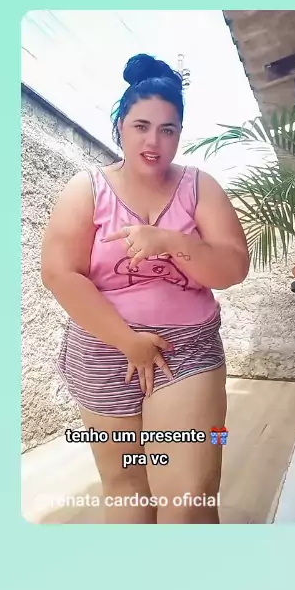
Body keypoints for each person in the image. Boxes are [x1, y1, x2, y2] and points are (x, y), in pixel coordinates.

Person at [41, 53, 250, 524]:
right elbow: (60, 273)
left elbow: (233, 268)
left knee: (191, 494)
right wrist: (128, 342)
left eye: (167, 129)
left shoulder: (200, 187)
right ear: (120, 126)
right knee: (126, 487)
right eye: (141, 126)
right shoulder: (86, 188)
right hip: (103, 350)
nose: (154, 141)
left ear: (180, 133)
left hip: (186, 351)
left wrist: (171, 242)